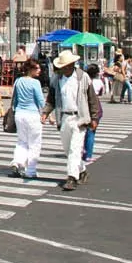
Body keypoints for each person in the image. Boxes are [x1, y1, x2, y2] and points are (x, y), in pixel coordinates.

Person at [40, 50, 100, 191]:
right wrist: (45, 112)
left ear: (72, 64)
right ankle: (82, 170)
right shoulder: (57, 79)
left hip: (79, 117)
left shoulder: (83, 77)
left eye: (68, 65)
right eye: (63, 66)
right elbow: (51, 98)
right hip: (64, 117)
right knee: (68, 149)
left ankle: (72, 178)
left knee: (75, 149)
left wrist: (94, 117)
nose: (65, 68)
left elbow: (92, 98)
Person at [9, 59, 45, 180]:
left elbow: (15, 99)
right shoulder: (35, 83)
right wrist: (47, 115)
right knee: (34, 143)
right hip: (32, 114)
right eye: (37, 68)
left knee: (22, 141)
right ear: (30, 69)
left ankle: (17, 161)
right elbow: (40, 101)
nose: (39, 70)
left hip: (19, 114)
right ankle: (31, 170)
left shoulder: (18, 81)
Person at [82, 64, 106, 163]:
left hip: (84, 105)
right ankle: (88, 155)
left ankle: (83, 152)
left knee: (84, 131)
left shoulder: (83, 81)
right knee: (91, 132)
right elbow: (102, 92)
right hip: (96, 105)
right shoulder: (99, 82)